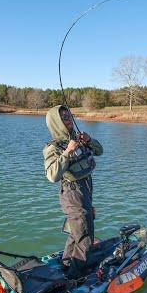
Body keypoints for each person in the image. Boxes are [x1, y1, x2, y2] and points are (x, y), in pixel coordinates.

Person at [43, 105, 103, 279]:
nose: (68, 120)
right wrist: (68, 151)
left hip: (86, 189)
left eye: (69, 116)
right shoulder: (53, 148)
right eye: (64, 117)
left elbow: (100, 151)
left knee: (78, 229)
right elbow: (52, 175)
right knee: (85, 234)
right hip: (72, 192)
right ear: (56, 122)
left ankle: (67, 263)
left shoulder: (79, 139)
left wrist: (89, 140)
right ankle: (78, 276)